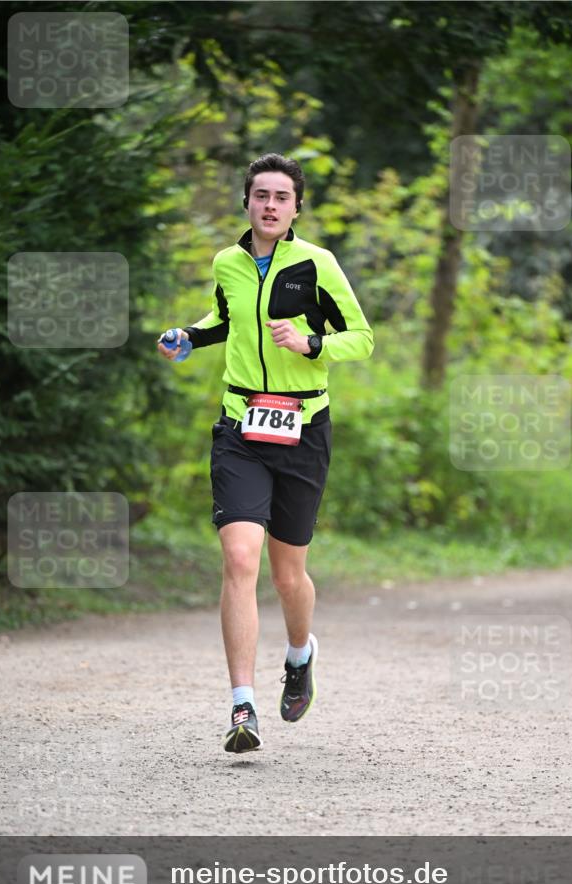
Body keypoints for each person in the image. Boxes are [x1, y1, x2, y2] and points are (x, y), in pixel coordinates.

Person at [158, 152, 373, 754]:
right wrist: (189, 337)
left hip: (302, 429)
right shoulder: (228, 262)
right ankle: (241, 705)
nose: (271, 205)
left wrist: (311, 343)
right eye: (261, 195)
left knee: (288, 574)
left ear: (297, 207)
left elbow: (363, 338)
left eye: (282, 197)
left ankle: (300, 655)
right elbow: (228, 317)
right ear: (247, 202)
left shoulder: (317, 264)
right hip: (240, 425)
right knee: (240, 558)